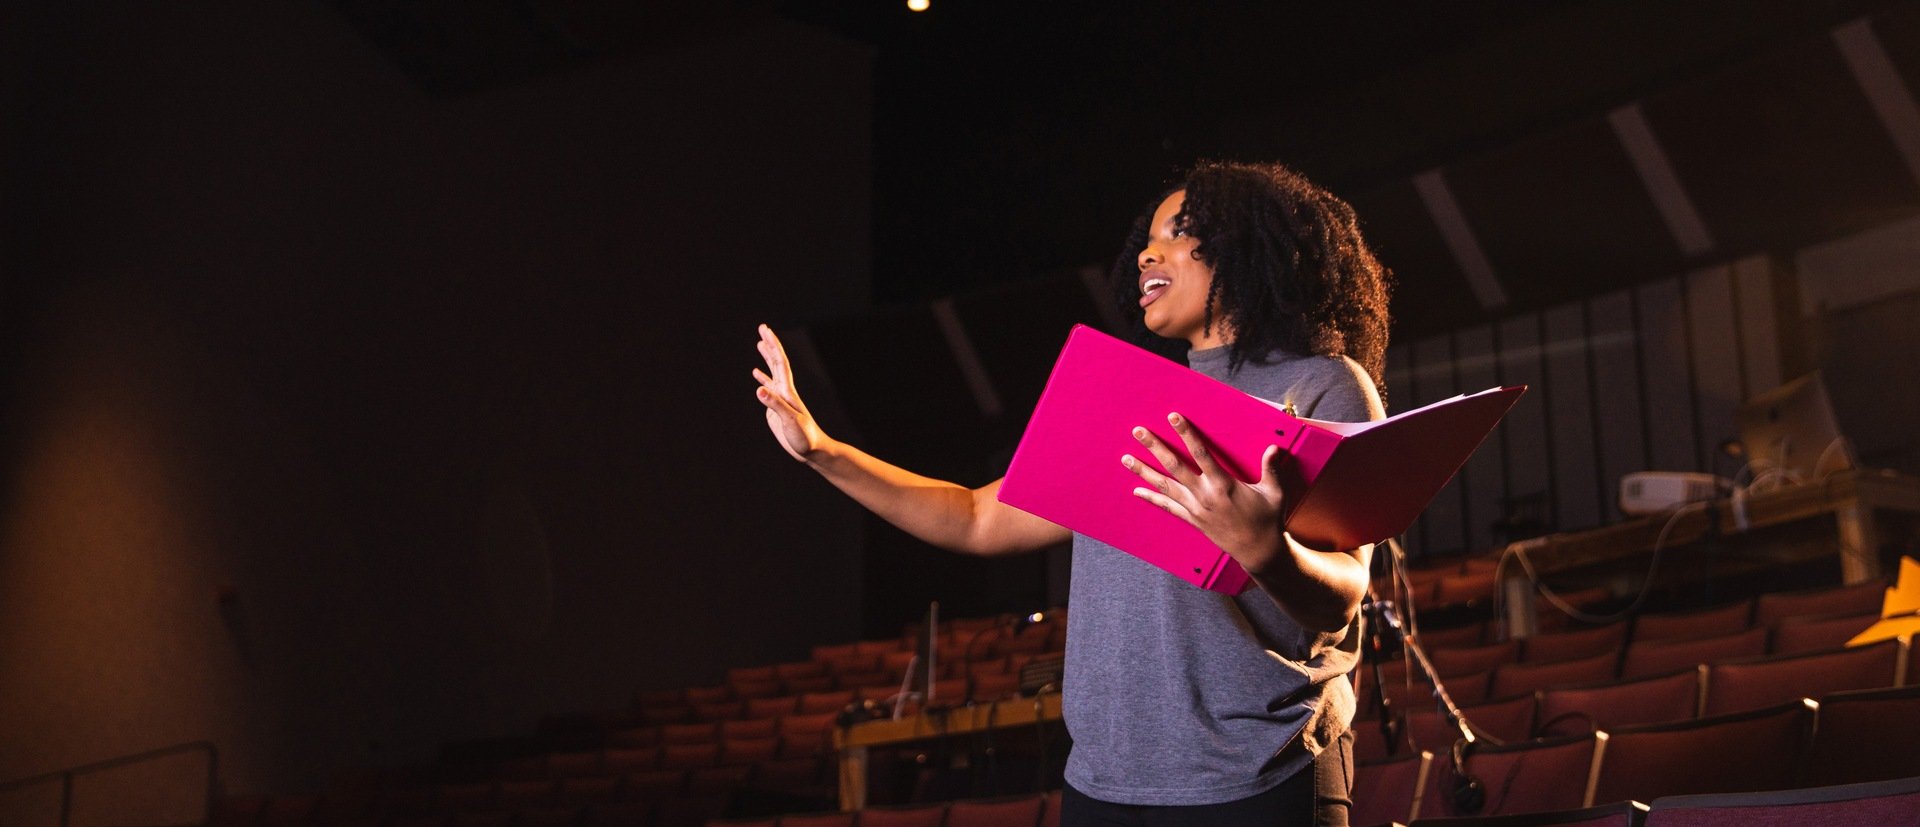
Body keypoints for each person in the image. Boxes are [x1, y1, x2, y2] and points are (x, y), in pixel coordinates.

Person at [753, 160, 1391, 826]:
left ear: (1247, 243)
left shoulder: (1324, 385)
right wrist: (824, 451)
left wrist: (1265, 549)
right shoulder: (1124, 398)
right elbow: (974, 518)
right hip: (1103, 785)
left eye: (1180, 231)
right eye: (1146, 239)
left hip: (1257, 778)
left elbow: (1341, 598)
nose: (1149, 251)